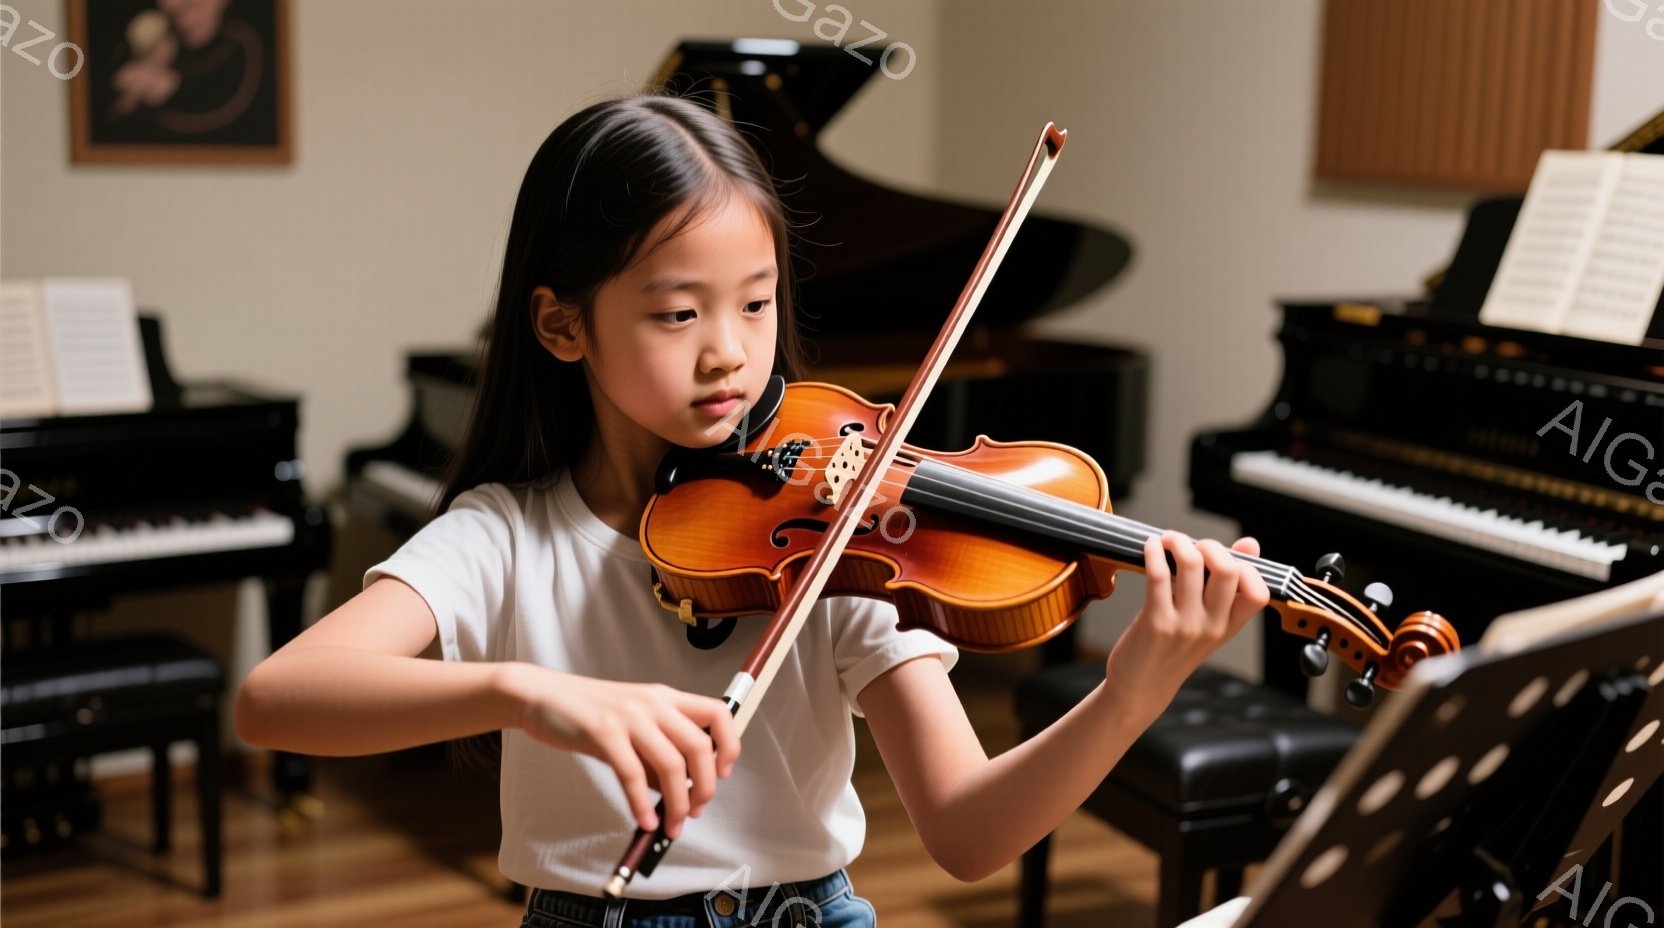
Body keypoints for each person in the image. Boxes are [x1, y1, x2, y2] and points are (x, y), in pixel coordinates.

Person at [234, 92, 1271, 928]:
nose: (728, 348)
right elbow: (277, 698)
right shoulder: (508, 535)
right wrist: (525, 693)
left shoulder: (835, 536)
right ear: (560, 325)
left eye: (757, 301)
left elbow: (966, 834)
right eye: (678, 312)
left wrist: (1129, 692)